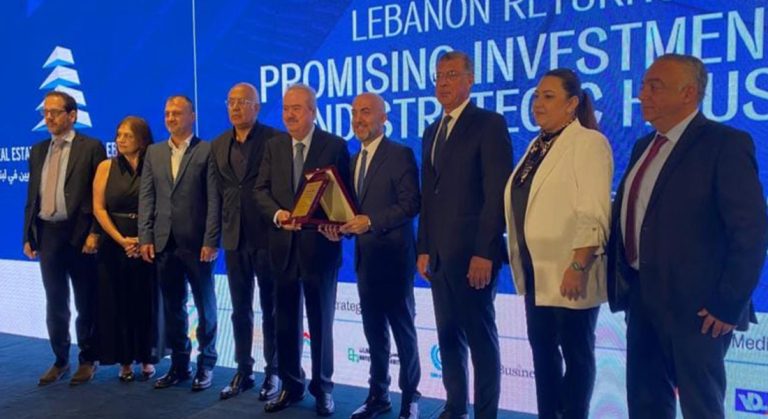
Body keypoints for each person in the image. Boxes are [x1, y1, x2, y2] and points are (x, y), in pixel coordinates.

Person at [607, 54, 767, 418]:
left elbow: (751, 231)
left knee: (701, 407)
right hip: (642, 299)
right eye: (643, 85)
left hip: (699, 309)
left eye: (654, 86)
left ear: (688, 93)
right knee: (645, 402)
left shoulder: (725, 143)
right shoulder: (643, 146)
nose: (642, 94)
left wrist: (728, 304)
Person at [503, 69, 613, 419]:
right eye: (537, 95)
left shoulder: (588, 142)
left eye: (548, 96)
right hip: (539, 272)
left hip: (571, 271)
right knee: (543, 355)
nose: (538, 103)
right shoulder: (538, 146)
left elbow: (594, 211)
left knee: (576, 355)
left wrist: (578, 265)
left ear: (572, 104)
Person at [416, 51, 513, 419]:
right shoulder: (431, 130)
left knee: (481, 342)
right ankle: (455, 407)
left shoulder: (489, 124)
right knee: (448, 338)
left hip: (474, 257)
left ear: (470, 80)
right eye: (439, 75)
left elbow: (496, 193)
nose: (443, 82)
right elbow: (429, 195)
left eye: (452, 74)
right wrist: (423, 248)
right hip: (439, 258)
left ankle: (486, 414)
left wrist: (485, 251)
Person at [318, 92, 422, 419]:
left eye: (365, 112)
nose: (358, 119)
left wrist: (371, 221)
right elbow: (353, 213)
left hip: (395, 261)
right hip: (366, 261)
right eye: (354, 113)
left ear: (383, 118)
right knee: (374, 333)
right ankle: (379, 395)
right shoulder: (352, 161)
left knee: (403, 333)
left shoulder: (400, 154)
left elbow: (411, 204)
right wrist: (340, 229)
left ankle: (410, 399)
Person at [254, 83, 351, 416]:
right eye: (285, 108)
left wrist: (337, 225)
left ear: (312, 111)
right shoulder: (273, 146)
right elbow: (260, 191)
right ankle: (291, 386)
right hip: (282, 249)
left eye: (296, 108)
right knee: (284, 322)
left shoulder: (334, 146)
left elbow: (346, 197)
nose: (289, 115)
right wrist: (279, 215)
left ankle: (323, 389)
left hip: (320, 250)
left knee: (320, 323)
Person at [138, 95, 221, 391]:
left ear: (192, 116)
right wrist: (146, 236)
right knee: (173, 307)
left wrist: (211, 239)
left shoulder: (207, 150)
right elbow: (147, 196)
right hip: (164, 243)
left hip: (198, 244)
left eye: (177, 113)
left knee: (205, 306)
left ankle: (206, 364)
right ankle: (180, 365)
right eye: (167, 113)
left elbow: (214, 200)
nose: (170, 118)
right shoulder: (154, 152)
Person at [23, 91, 106, 386]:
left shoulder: (91, 147)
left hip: (80, 235)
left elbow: (100, 196)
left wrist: (95, 232)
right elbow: (32, 197)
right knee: (55, 301)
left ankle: (88, 359)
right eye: (45, 112)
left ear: (72, 115)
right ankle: (60, 360)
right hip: (48, 235)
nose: (49, 117)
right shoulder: (37, 151)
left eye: (55, 112)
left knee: (86, 300)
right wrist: (28, 235)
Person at [211, 82, 282, 400]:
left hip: (267, 236)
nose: (236, 107)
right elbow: (217, 194)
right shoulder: (218, 144)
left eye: (242, 101)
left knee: (271, 309)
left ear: (257, 106)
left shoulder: (275, 140)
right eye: (231, 101)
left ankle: (274, 372)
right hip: (234, 238)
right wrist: (213, 236)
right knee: (240, 310)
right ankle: (243, 369)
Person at [93, 116, 164, 382]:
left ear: (142, 140)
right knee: (118, 303)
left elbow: (162, 204)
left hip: (148, 244)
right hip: (114, 245)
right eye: (119, 135)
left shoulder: (155, 165)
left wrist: (144, 238)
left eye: (128, 135)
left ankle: (146, 358)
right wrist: (122, 240)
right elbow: (99, 208)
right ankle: (124, 362)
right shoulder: (105, 167)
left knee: (145, 302)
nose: (120, 140)